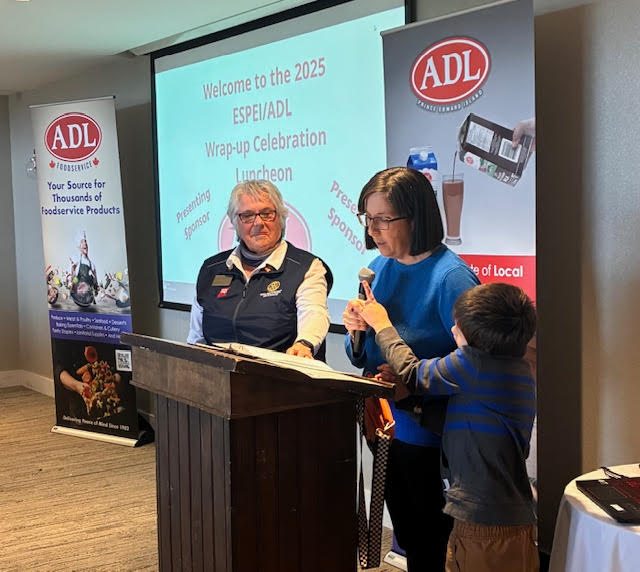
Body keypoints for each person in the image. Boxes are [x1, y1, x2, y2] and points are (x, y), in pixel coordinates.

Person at [343, 167, 479, 571]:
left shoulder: (451, 278)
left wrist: (409, 383)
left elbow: (477, 369)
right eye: (368, 219)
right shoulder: (379, 267)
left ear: (416, 218)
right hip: (384, 427)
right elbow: (363, 357)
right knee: (408, 533)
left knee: (430, 543)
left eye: (383, 220)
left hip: (429, 437)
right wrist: (356, 334)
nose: (372, 231)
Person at [356, 281, 538, 572]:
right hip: (505, 515)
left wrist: (381, 324)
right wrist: (408, 401)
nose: (452, 330)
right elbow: (460, 421)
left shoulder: (473, 364)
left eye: (458, 327)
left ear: (476, 339)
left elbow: (413, 373)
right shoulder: (515, 368)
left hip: (482, 520)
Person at [188, 180, 332, 359]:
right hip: (218, 373)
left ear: (281, 217)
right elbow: (196, 339)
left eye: (266, 213)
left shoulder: (307, 267)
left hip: (279, 372)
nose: (258, 223)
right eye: (247, 215)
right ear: (235, 222)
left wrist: (304, 343)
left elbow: (314, 312)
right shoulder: (211, 269)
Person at [69, 231, 98, 307]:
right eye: (82, 242)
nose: (85, 243)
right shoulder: (77, 263)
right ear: (79, 247)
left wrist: (96, 288)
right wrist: (73, 271)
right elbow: (74, 281)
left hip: (88, 302)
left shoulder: (92, 265)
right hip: (79, 300)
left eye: (85, 242)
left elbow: (96, 285)